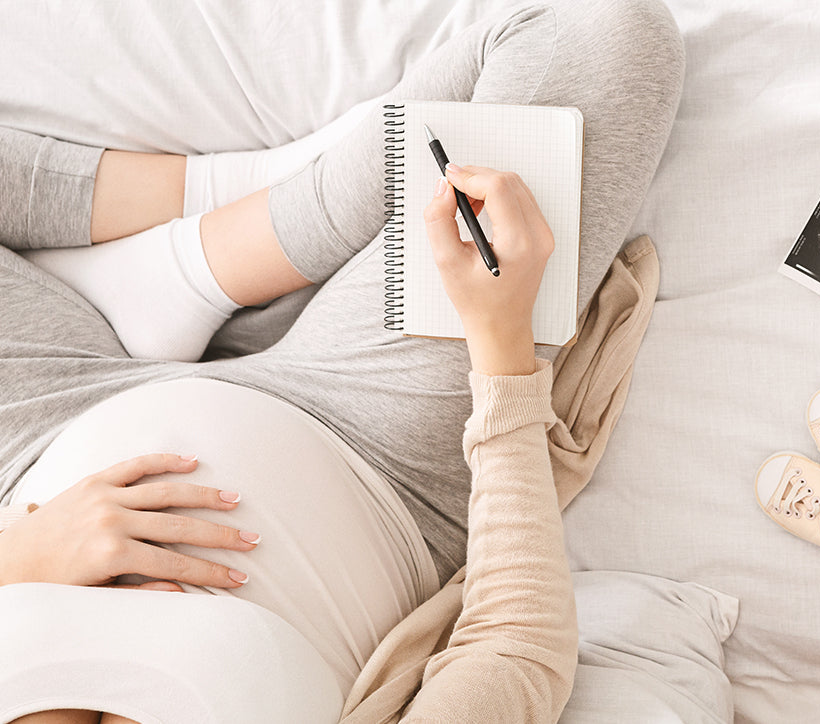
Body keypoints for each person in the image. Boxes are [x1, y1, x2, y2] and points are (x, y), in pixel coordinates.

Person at [0, 1, 684, 721]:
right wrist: (503, 347)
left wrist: (17, 561)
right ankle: (247, 234)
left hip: (40, 444)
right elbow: (514, 651)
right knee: (597, 36)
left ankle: (209, 251)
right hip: (374, 457)